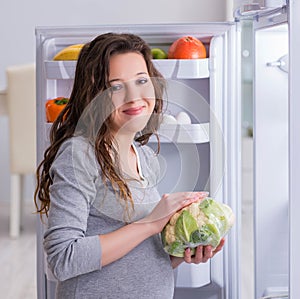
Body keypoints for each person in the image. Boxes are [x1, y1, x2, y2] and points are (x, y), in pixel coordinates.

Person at [34, 32, 224, 299]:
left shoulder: (144, 157)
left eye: (141, 80)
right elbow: (63, 258)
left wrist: (182, 251)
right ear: (94, 95)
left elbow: (136, 256)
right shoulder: (80, 155)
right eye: (116, 86)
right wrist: (150, 224)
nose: (134, 96)